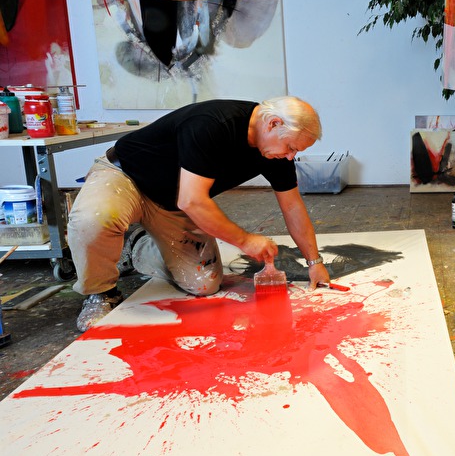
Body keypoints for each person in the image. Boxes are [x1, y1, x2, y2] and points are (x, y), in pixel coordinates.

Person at [67, 96, 331, 332]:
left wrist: (314, 262)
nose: (290, 157)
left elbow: (293, 206)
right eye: (291, 147)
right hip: (125, 176)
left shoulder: (275, 154)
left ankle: (134, 246)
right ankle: (101, 293)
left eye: (296, 151)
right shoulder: (213, 123)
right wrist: (245, 240)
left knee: (204, 284)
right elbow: (193, 201)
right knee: (95, 218)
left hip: (170, 203)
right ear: (273, 124)